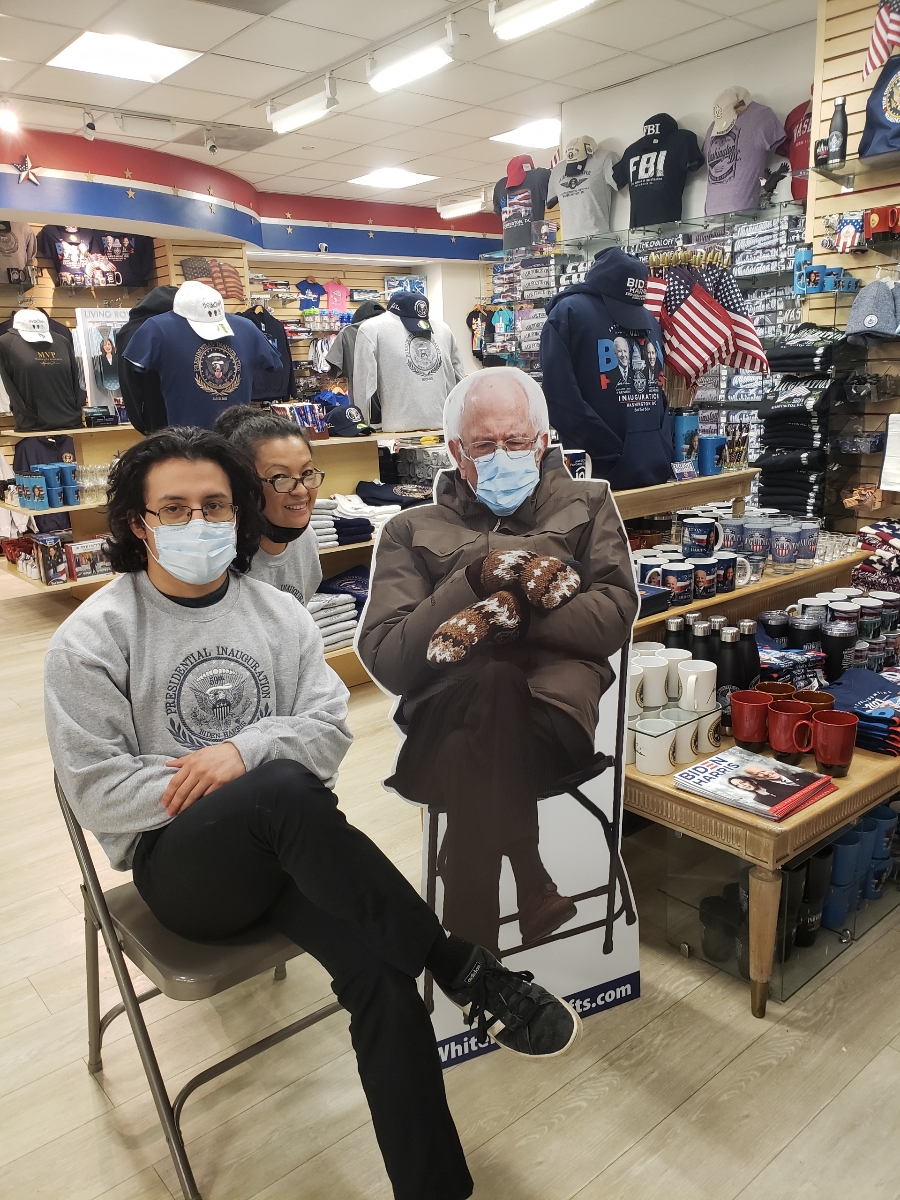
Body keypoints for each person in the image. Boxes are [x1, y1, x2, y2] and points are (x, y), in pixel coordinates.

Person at [43, 426, 581, 1200]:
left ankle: (435, 1189)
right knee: (280, 790)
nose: (199, 522)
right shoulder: (92, 639)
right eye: (175, 509)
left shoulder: (279, 615)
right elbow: (98, 790)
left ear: (239, 511)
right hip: (184, 874)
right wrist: (251, 775)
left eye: (215, 505)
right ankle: (460, 965)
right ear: (138, 522)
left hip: (291, 854)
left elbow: (328, 735)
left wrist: (242, 751)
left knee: (383, 973)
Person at [357, 367, 638, 955]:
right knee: (488, 687)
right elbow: (390, 658)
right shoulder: (410, 529)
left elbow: (613, 615)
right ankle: (529, 884)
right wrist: (473, 580)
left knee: (484, 701)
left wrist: (512, 614)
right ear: (457, 452)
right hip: (447, 715)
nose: (503, 454)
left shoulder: (588, 504)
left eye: (516, 441)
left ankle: (471, 958)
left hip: (549, 719)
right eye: (485, 445)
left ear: (541, 443)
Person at [214, 407, 322, 606]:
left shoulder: (306, 539)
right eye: (280, 477)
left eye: (307, 473)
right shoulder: (219, 558)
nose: (301, 491)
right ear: (245, 485)